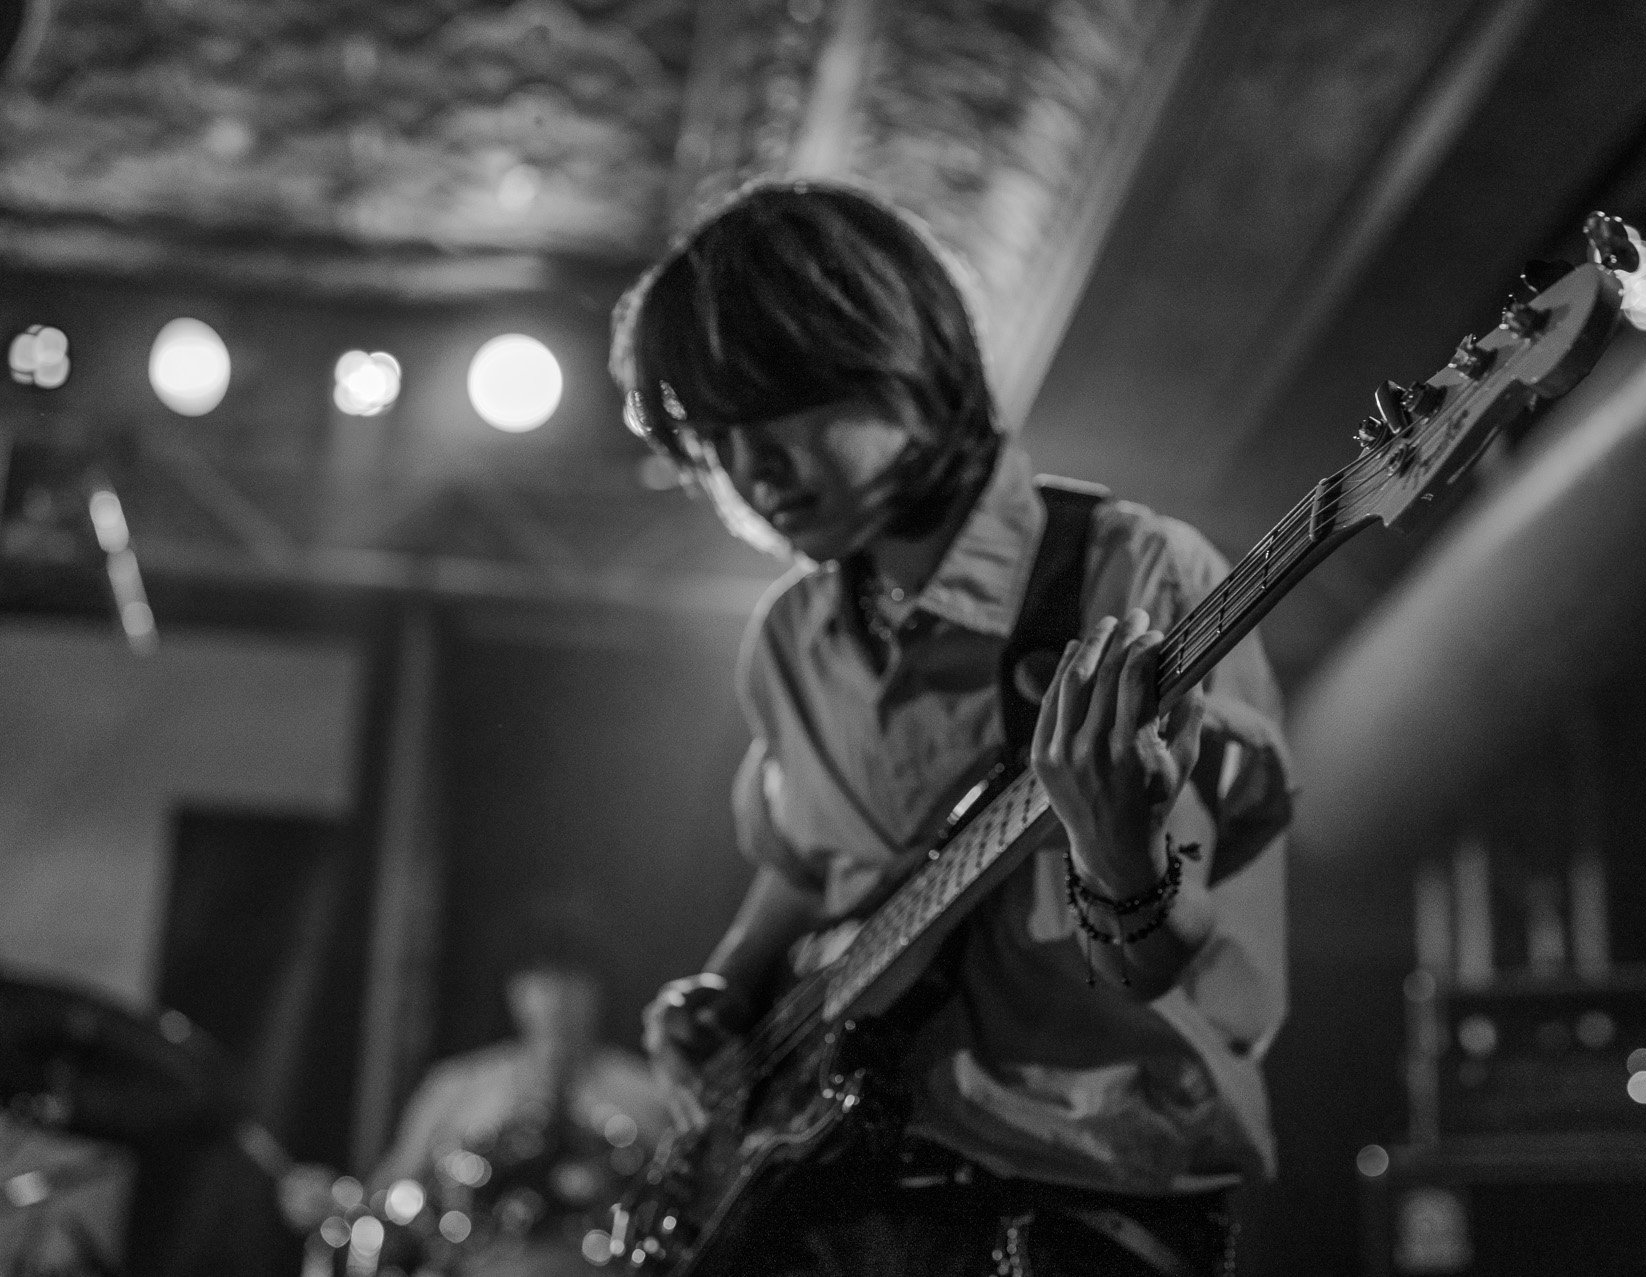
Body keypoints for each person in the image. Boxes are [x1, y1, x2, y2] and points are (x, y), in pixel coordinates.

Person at [618, 181, 1291, 1277]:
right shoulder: (789, 635)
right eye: (711, 435)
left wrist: (1119, 853)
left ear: (906, 360)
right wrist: (727, 994)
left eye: (775, 409)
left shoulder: (1133, 577)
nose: (747, 470)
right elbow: (805, 862)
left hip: (1073, 1199)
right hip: (840, 1196)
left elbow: (1171, 966)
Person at [285, 952, 668, 1277]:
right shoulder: (456, 1088)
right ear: (514, 989)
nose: (555, 996)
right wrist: (332, 1202)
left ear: (596, 990)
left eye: (571, 977)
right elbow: (387, 1198)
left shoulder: (651, 1095)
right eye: (538, 976)